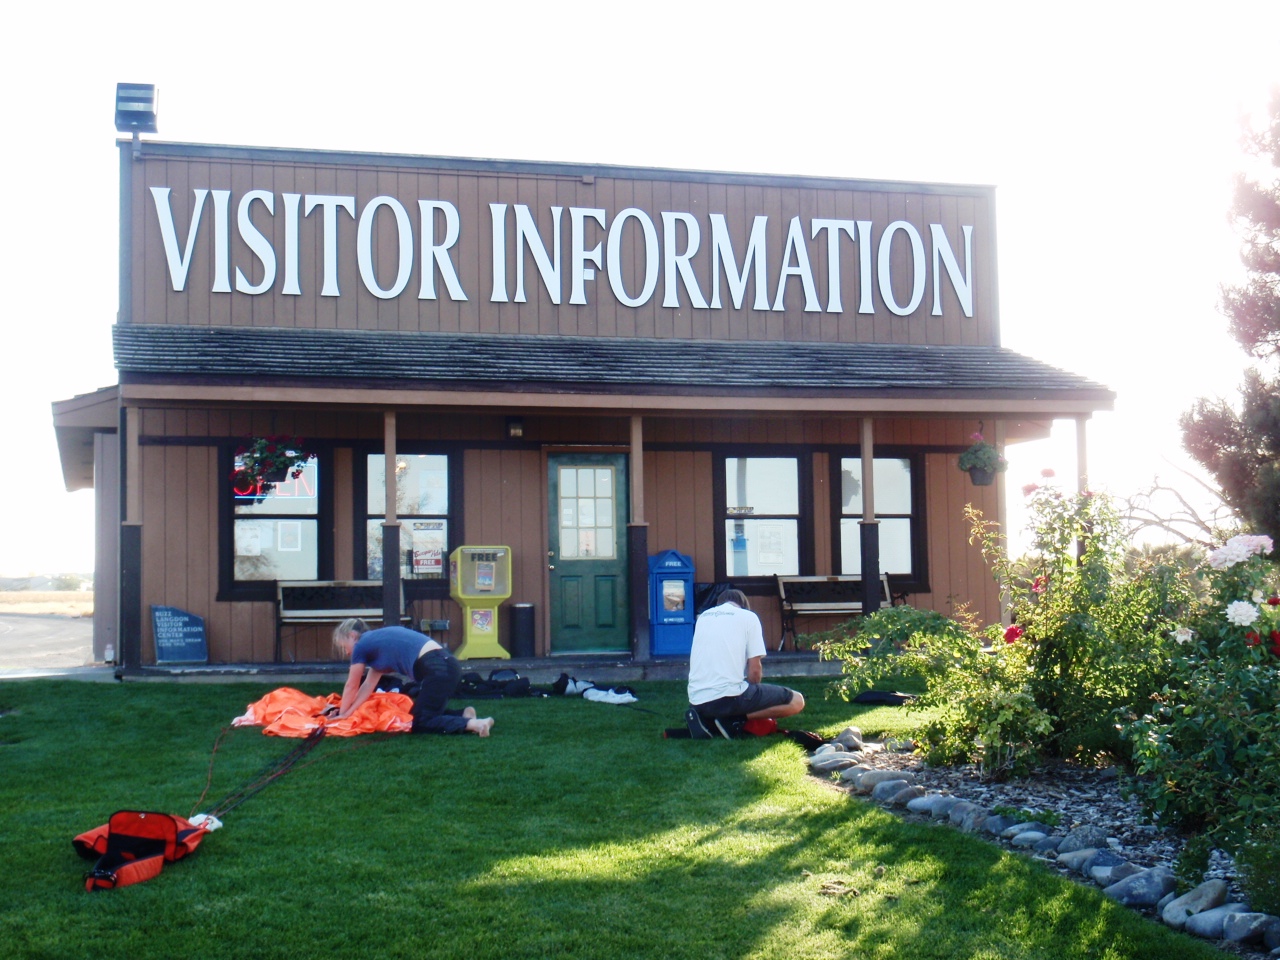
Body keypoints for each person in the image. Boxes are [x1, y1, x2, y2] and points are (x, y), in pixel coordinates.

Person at [332, 619, 494, 736]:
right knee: (421, 712)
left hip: (437, 668)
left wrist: (343, 714)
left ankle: (475, 724)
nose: (346, 653)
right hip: (446, 665)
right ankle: (463, 714)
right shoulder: (375, 644)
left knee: (420, 722)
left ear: (353, 636)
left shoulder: (361, 645)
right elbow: (366, 686)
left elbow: (351, 685)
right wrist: (348, 712)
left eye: (344, 647)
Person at [686, 589, 805, 739]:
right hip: (727, 697)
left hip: (696, 700)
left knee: (723, 697)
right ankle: (734, 720)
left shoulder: (703, 617)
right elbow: (755, 672)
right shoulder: (748, 617)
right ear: (743, 604)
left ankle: (708, 720)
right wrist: (754, 694)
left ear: (719, 604)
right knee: (797, 700)